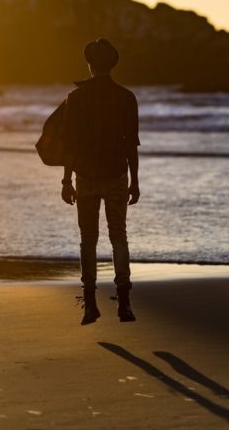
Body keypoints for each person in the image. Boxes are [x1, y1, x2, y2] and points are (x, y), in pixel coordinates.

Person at [62, 38, 140, 325]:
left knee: (88, 240)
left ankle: (90, 305)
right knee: (118, 236)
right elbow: (132, 144)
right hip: (118, 174)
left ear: (90, 64)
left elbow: (69, 144)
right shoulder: (126, 97)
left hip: (86, 176)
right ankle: (124, 304)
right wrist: (135, 181)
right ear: (112, 64)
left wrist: (66, 180)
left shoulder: (77, 97)